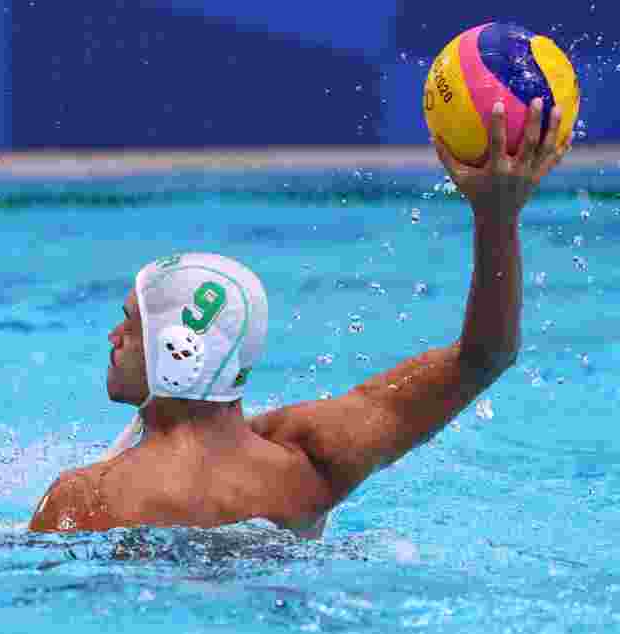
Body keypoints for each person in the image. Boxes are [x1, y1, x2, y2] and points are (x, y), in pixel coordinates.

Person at [29, 98, 571, 538]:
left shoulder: (88, 499)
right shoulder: (310, 461)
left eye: (131, 323)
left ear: (179, 348)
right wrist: (497, 215)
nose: (114, 337)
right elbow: (484, 357)